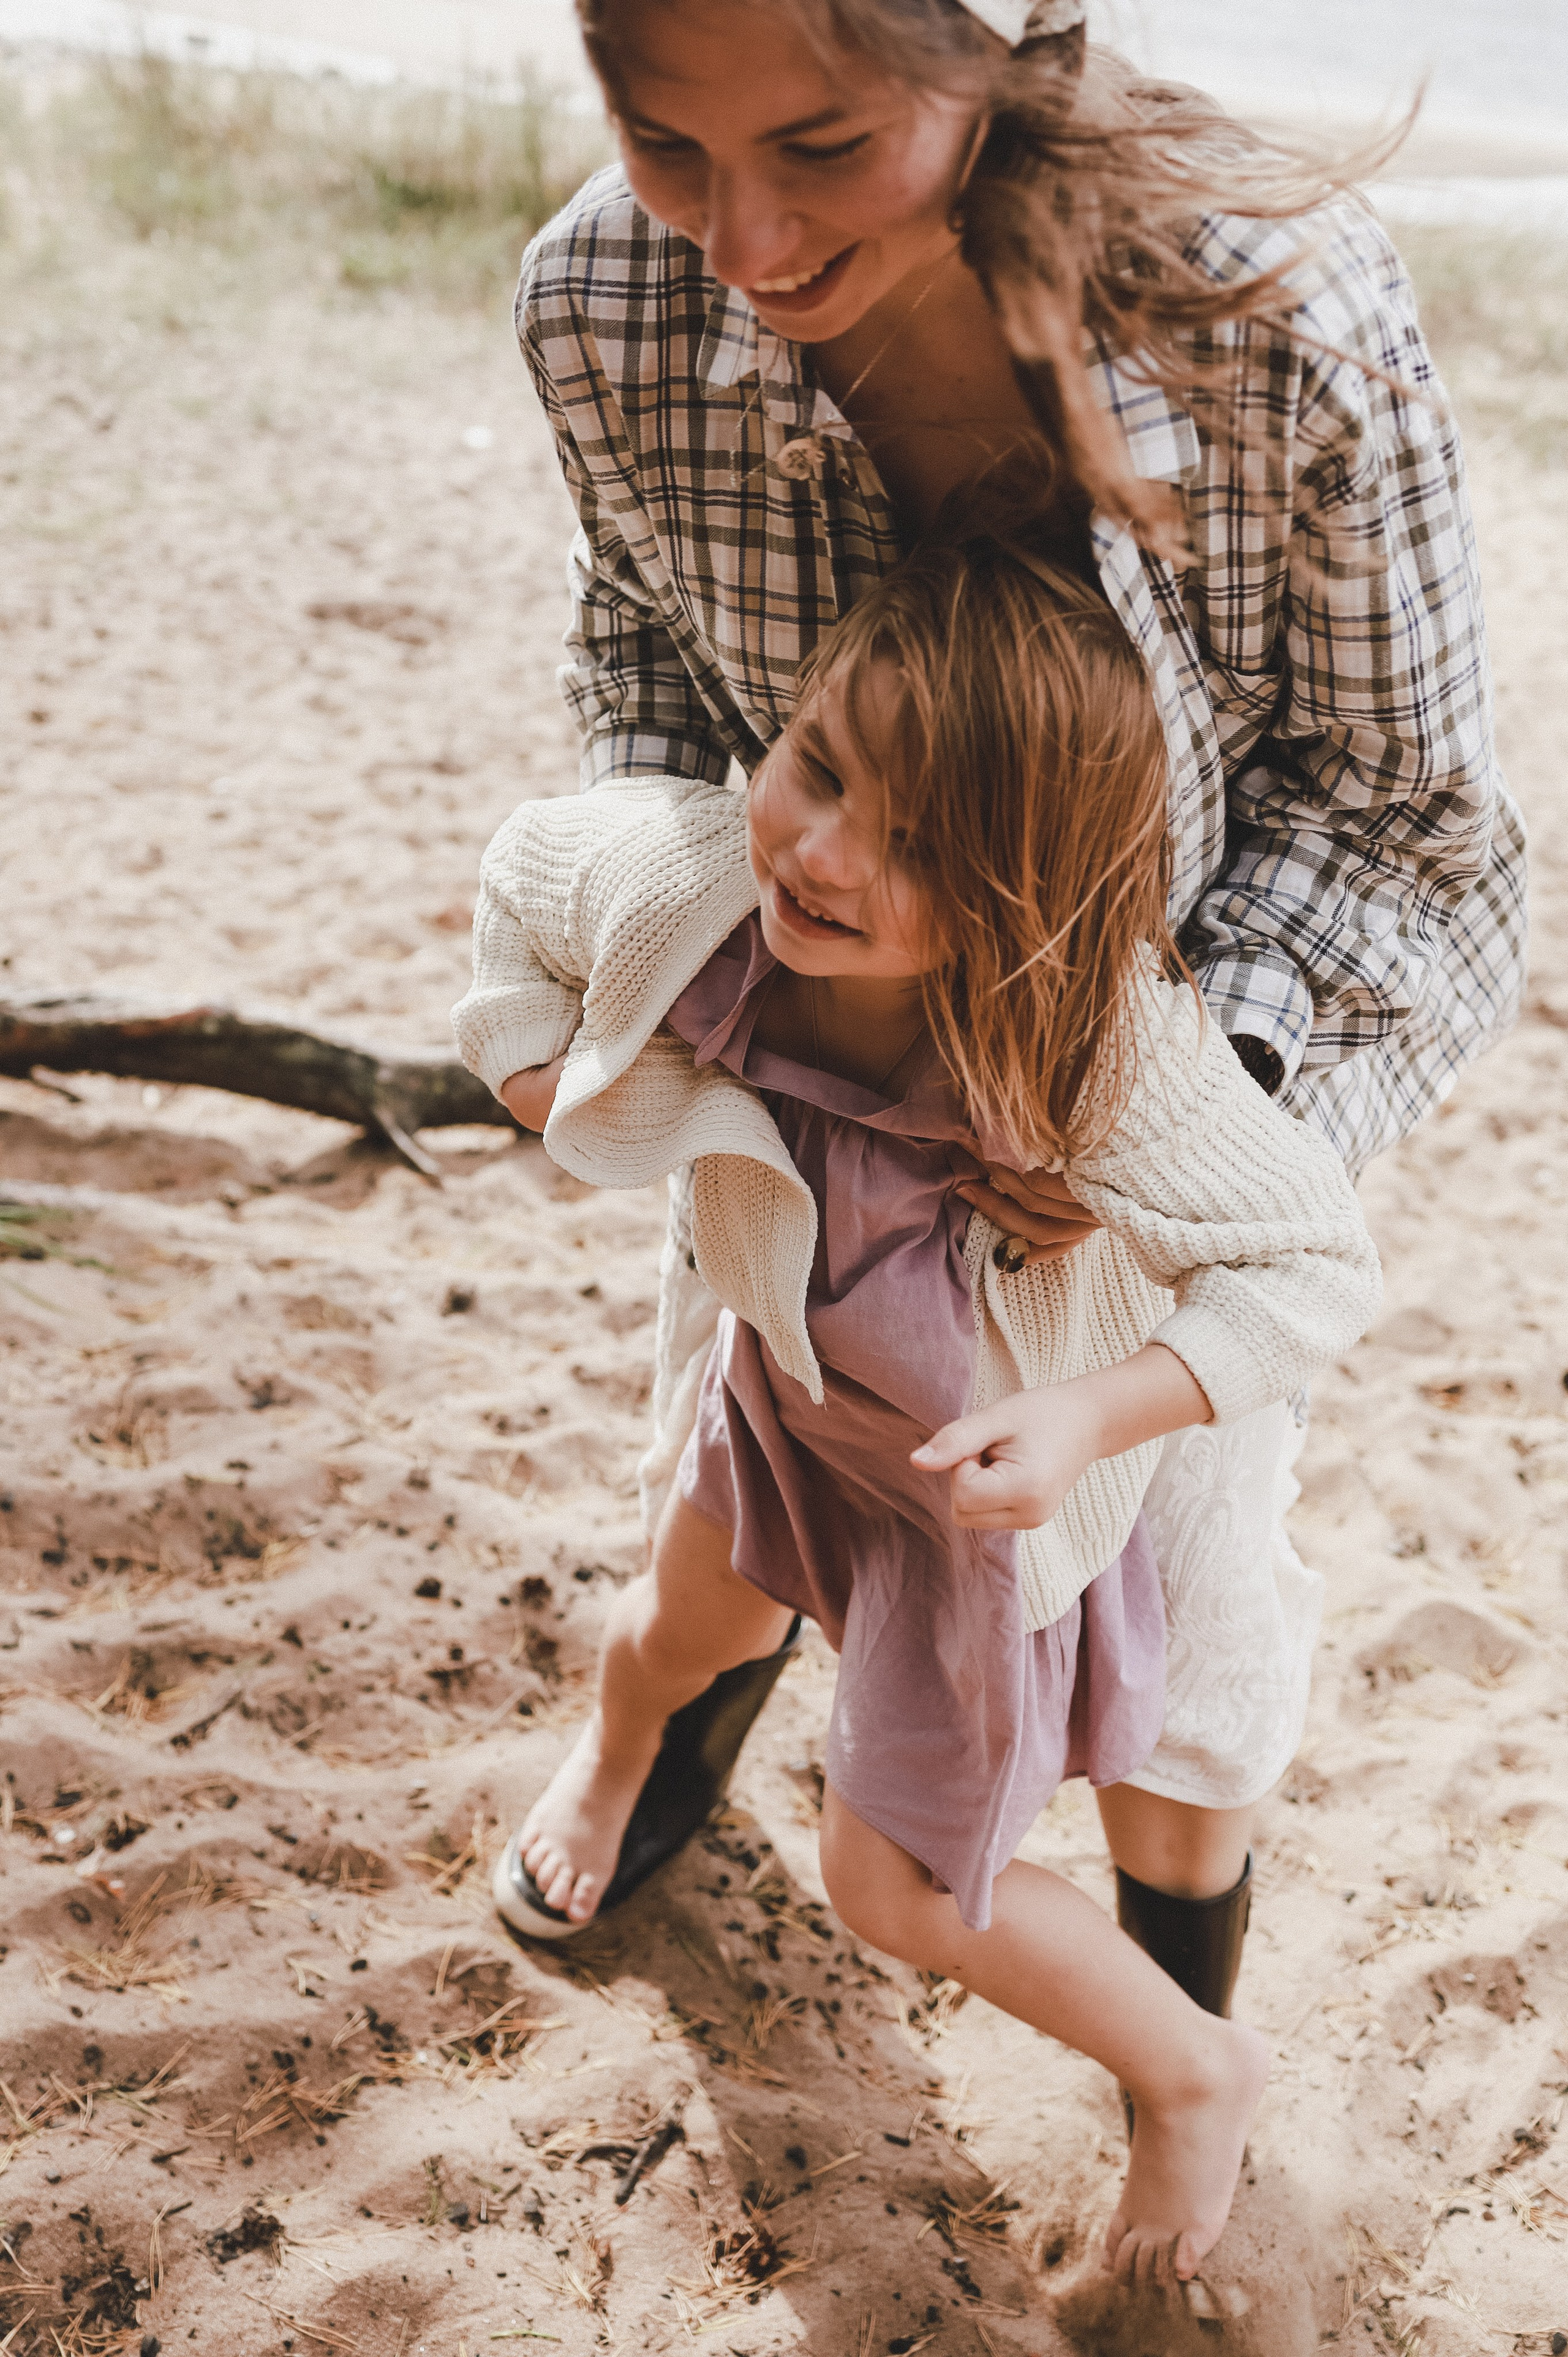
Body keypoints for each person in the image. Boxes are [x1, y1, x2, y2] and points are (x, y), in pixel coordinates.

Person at [496, 0, 1525, 2029]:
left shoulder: (1276, 310)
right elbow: (640, 663)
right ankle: (677, 1757)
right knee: (740, 1472)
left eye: (821, 143)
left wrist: (1143, 1112)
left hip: (1191, 1065)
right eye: (664, 140)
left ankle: (1178, 2022)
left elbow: (1405, 811)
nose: (746, 242)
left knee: (1183, 1587)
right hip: (803, 1061)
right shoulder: (593, 302)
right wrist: (663, 971)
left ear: (1004, 52)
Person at [451, 523, 1382, 2283]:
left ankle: (1197, 2065)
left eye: (913, 844)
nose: (819, 848)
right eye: (815, 767)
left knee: (889, 1894)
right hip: (789, 1405)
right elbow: (522, 874)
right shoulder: (694, 884)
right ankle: (613, 1764)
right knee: (671, 1627)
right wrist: (515, 1040)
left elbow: (1316, 1266)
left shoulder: (1096, 1045)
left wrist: (1101, 1414)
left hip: (973, 1516)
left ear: (1026, 899)